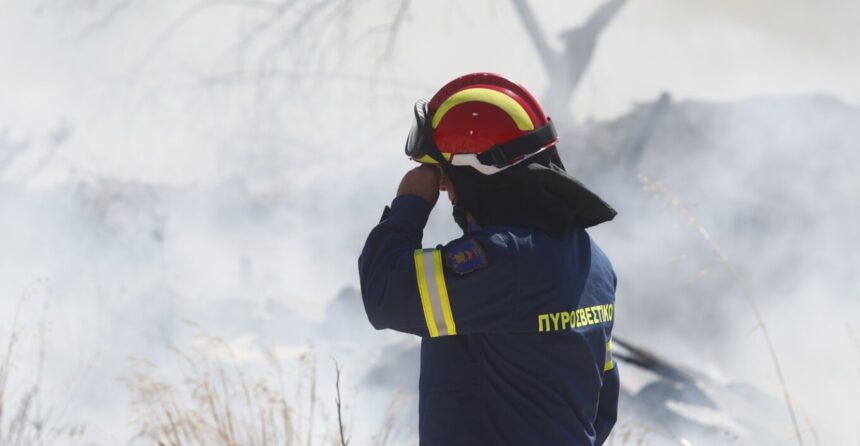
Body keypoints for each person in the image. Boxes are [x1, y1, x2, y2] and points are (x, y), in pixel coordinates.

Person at [358, 73, 619, 445]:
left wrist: (410, 205)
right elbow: (602, 403)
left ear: (477, 174)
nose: (444, 189)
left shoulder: (503, 261)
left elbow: (384, 296)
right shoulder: (594, 260)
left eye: (445, 175)